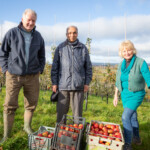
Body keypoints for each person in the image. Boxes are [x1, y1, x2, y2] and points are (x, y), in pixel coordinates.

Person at [0, 9, 45, 143]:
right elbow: (3, 53)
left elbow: (42, 56)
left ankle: (27, 127)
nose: (30, 23)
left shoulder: (38, 36)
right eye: (28, 20)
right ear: (22, 19)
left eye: (33, 21)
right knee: (9, 105)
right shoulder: (12, 33)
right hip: (13, 75)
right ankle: (7, 135)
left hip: (32, 76)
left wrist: (40, 69)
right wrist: (6, 70)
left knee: (31, 103)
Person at [113, 40, 150, 150]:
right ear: (121, 52)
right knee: (132, 117)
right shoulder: (121, 64)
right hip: (125, 95)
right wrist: (116, 95)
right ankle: (137, 139)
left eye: (129, 50)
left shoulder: (140, 62)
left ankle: (128, 144)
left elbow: (148, 78)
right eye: (124, 51)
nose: (127, 52)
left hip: (136, 94)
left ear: (133, 50)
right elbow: (117, 81)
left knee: (125, 116)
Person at [51, 25, 92, 123]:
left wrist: (86, 83)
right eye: (69, 33)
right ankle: (60, 134)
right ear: (66, 34)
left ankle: (77, 134)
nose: (72, 35)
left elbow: (88, 67)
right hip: (63, 86)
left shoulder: (83, 48)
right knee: (61, 115)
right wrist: (54, 83)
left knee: (77, 116)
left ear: (77, 34)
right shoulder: (60, 48)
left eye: (74, 33)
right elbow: (55, 67)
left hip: (78, 86)